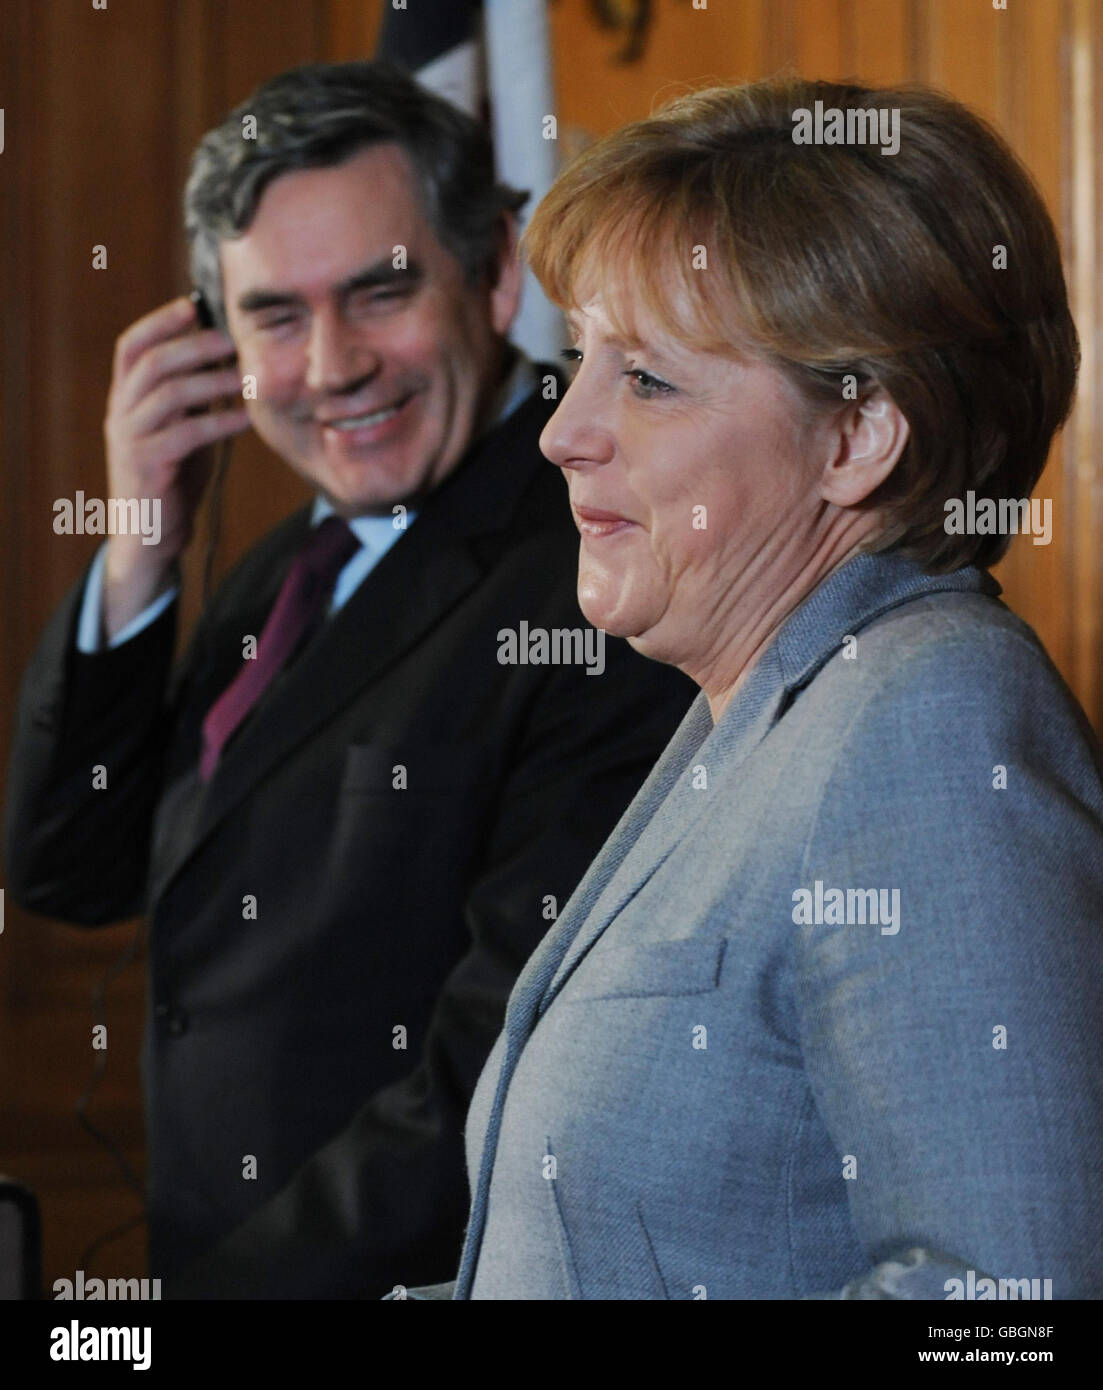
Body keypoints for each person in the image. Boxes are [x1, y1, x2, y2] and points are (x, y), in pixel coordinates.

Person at [402, 77, 1103, 1300]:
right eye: (581, 362)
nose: (563, 431)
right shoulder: (766, 704)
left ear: (857, 434)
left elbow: (1003, 1303)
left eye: (649, 381)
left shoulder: (929, 720)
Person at [2, 60, 694, 1299]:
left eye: (378, 292)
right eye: (273, 314)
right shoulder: (286, 564)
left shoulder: (601, 563)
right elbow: (70, 863)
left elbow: (501, 1066)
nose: (330, 367)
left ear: (490, 269)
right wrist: (141, 545)